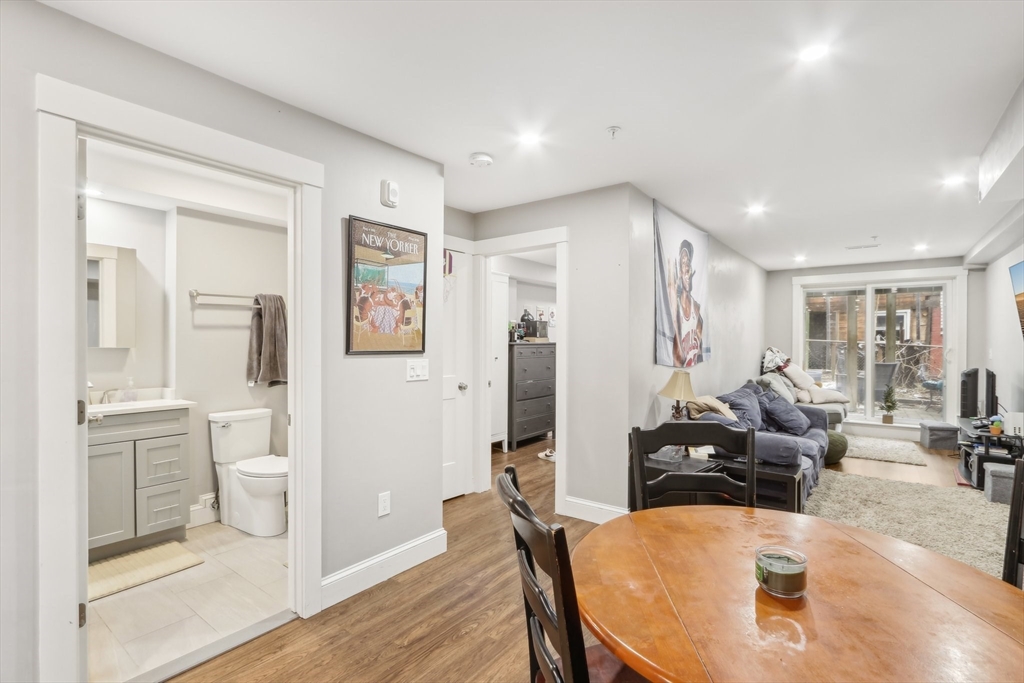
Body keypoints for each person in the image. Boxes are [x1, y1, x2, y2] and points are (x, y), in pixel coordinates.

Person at [668, 239, 703, 367]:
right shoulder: (675, 307)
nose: (686, 267)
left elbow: (700, 354)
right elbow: (679, 358)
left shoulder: (696, 309)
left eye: (688, 262)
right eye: (683, 263)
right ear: (679, 270)